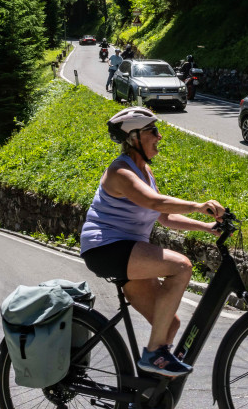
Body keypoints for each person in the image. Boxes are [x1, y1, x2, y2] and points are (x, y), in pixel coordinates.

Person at [80, 107, 224, 378]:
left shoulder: (145, 173)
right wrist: (198, 205)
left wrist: (206, 227)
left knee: (169, 324)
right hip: (105, 247)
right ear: (134, 137)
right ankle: (154, 354)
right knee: (181, 266)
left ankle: (147, 394)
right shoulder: (121, 172)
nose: (159, 136)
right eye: (153, 131)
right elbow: (153, 202)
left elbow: (165, 217)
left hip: (127, 251)